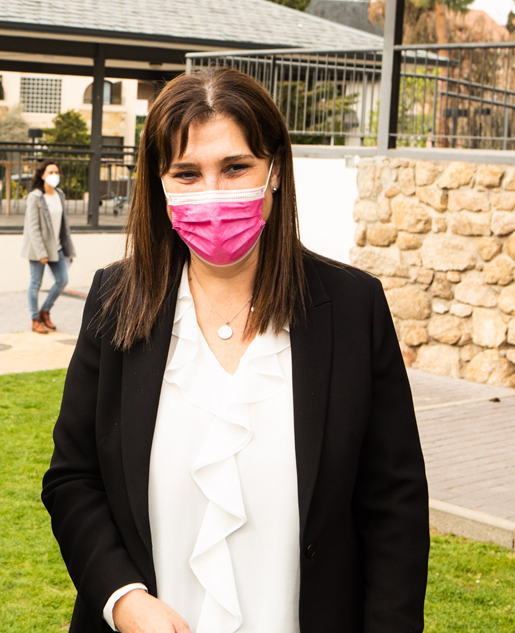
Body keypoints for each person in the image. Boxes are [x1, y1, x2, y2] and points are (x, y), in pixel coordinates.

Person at [41, 68, 428, 633]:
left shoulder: (352, 307)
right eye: (188, 174)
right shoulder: (114, 300)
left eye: (236, 167)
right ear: (161, 182)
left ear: (274, 171)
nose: (213, 193)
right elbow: (73, 478)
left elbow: (394, 504)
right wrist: (124, 599)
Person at [22, 159, 76, 334]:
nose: (54, 175)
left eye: (57, 172)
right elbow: (33, 227)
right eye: (51, 172)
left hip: (57, 247)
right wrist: (41, 253)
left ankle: (45, 310)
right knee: (35, 283)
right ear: (42, 175)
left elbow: (63, 224)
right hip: (38, 249)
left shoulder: (60, 194)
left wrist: (67, 247)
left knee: (62, 280)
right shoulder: (35, 197)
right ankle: (35, 319)